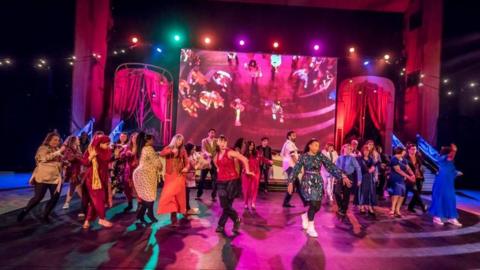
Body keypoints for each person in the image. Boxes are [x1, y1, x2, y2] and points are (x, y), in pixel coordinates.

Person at [288, 139, 348, 237]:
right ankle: (311, 227)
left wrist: (342, 176)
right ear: (310, 146)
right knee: (313, 203)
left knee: (317, 206)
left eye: (318, 146)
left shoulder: (320, 155)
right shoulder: (303, 156)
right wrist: (290, 182)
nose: (317, 147)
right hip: (307, 182)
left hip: (318, 181)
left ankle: (305, 216)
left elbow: (330, 166)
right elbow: (296, 169)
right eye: (315, 145)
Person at [18, 132, 66, 223]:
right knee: (38, 198)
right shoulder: (43, 148)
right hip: (42, 177)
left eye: (58, 140)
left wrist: (65, 162)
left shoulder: (57, 149)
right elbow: (43, 158)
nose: (57, 142)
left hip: (55, 178)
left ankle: (45, 215)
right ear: (49, 140)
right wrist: (58, 152)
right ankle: (25, 211)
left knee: (55, 197)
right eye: (55, 140)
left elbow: (58, 162)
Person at [214, 135, 253, 234]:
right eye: (221, 141)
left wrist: (247, 171)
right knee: (225, 204)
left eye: (225, 141)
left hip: (232, 181)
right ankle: (236, 219)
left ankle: (221, 225)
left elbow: (244, 159)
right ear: (217, 142)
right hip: (221, 182)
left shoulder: (230, 152)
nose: (223, 143)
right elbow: (216, 165)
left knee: (227, 205)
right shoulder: (216, 155)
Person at [81, 135, 113, 229]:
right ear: (100, 143)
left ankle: (87, 220)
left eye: (109, 143)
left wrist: (116, 155)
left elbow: (107, 160)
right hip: (92, 178)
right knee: (99, 199)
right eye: (107, 144)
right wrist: (91, 156)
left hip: (103, 177)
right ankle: (102, 218)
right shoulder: (91, 150)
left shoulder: (107, 151)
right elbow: (85, 163)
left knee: (93, 201)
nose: (108, 145)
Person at [158, 134, 189, 227]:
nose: (180, 142)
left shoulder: (183, 150)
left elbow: (187, 163)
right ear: (174, 140)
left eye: (181, 141)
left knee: (178, 196)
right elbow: (161, 153)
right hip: (170, 176)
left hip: (179, 175)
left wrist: (186, 168)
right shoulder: (168, 148)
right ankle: (174, 218)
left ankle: (179, 214)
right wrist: (171, 150)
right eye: (178, 140)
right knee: (170, 196)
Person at [429, 144, 462, 226]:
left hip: (449, 183)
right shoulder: (443, 158)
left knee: (450, 199)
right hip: (441, 183)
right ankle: (436, 217)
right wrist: (454, 150)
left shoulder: (450, 161)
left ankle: (452, 217)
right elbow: (451, 156)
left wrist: (457, 173)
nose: (453, 155)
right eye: (451, 153)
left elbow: (451, 170)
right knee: (440, 198)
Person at [133, 133, 162, 224]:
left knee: (147, 197)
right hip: (146, 175)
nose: (153, 141)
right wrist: (160, 166)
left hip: (142, 174)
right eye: (152, 139)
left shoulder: (142, 148)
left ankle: (141, 214)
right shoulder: (149, 149)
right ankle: (149, 214)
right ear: (148, 140)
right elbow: (157, 163)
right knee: (150, 196)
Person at [242, 141, 272, 210]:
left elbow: (262, 158)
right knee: (246, 190)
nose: (252, 146)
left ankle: (253, 203)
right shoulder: (244, 154)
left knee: (254, 189)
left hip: (255, 173)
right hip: (246, 174)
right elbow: (242, 162)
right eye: (250, 145)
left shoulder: (257, 153)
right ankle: (246, 203)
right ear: (247, 146)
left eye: (253, 145)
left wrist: (268, 161)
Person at [334, 144, 362, 218]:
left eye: (350, 149)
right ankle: (340, 206)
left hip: (349, 177)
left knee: (346, 194)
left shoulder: (352, 158)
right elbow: (336, 168)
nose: (349, 150)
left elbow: (358, 168)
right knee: (337, 192)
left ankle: (344, 209)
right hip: (340, 176)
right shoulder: (339, 158)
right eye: (348, 149)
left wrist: (359, 179)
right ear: (344, 149)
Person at [388, 146, 415, 218]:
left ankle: (397, 210)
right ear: (401, 151)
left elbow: (408, 168)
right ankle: (393, 209)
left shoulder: (404, 159)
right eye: (404, 150)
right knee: (397, 192)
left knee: (402, 193)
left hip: (402, 179)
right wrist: (409, 177)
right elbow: (398, 170)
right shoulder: (394, 158)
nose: (405, 152)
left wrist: (412, 174)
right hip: (395, 178)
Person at [281, 131, 305, 208]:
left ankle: (304, 202)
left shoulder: (290, 144)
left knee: (297, 185)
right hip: (290, 167)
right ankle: (305, 202)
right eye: (293, 135)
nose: (295, 137)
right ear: (289, 137)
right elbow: (293, 156)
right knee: (293, 185)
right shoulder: (289, 144)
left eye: (295, 135)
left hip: (291, 166)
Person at [62, 136, 84, 211]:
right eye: (78, 140)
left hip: (78, 170)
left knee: (73, 186)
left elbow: (81, 158)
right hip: (73, 171)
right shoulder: (69, 149)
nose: (79, 141)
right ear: (74, 141)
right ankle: (85, 201)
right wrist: (77, 157)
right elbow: (68, 158)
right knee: (77, 186)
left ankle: (67, 202)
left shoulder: (78, 148)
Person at [196, 129, 218, 201]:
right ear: (208, 133)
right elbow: (203, 149)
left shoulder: (216, 141)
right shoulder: (204, 140)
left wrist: (215, 157)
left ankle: (213, 196)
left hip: (213, 162)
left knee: (214, 180)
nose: (212, 134)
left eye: (214, 133)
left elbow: (218, 150)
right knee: (202, 179)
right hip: (206, 161)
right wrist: (208, 154)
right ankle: (199, 195)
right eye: (211, 132)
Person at [405, 144, 427, 213]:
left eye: (415, 149)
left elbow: (424, 164)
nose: (414, 151)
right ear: (408, 150)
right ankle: (423, 206)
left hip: (419, 177)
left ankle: (410, 207)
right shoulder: (405, 158)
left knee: (417, 194)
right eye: (412, 149)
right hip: (411, 177)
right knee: (416, 192)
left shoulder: (418, 157)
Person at [356, 145, 377, 215]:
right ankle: (362, 206)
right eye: (365, 150)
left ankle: (369, 206)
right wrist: (369, 170)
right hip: (363, 177)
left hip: (370, 177)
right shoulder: (359, 159)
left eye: (367, 151)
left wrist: (372, 169)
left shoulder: (371, 158)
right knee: (363, 192)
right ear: (362, 151)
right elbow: (361, 168)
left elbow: (374, 165)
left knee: (370, 191)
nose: (366, 152)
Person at [122, 132, 139, 212]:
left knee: (138, 188)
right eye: (134, 138)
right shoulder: (128, 147)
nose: (135, 139)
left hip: (138, 170)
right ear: (131, 138)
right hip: (129, 170)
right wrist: (126, 153)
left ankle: (140, 205)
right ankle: (130, 204)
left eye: (137, 138)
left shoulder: (141, 148)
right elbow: (122, 154)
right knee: (128, 188)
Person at [185, 143, 201, 215]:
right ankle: (186, 208)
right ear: (189, 149)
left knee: (187, 192)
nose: (194, 151)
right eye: (193, 149)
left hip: (189, 175)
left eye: (195, 149)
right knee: (186, 192)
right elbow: (195, 167)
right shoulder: (189, 157)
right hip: (187, 176)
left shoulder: (191, 156)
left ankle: (187, 207)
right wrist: (199, 161)